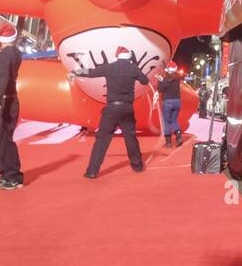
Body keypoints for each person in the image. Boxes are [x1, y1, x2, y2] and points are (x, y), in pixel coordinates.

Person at [74, 47, 150, 179]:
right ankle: (137, 165)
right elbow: (145, 81)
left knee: (102, 140)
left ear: (117, 56)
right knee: (131, 138)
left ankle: (92, 171)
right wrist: (135, 69)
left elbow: (91, 72)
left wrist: (74, 72)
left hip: (111, 109)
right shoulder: (133, 68)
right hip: (127, 109)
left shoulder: (110, 67)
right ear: (128, 56)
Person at [0, 24, 24, 190]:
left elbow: (4, 77)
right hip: (12, 100)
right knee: (4, 138)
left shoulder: (3, 56)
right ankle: (8, 173)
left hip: (4, 101)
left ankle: (13, 175)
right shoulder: (16, 53)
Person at [156, 63, 184, 147]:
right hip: (177, 101)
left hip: (168, 101)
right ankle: (179, 136)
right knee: (174, 120)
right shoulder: (178, 78)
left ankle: (168, 142)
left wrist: (160, 80)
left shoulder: (165, 79)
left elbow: (160, 89)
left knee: (166, 121)